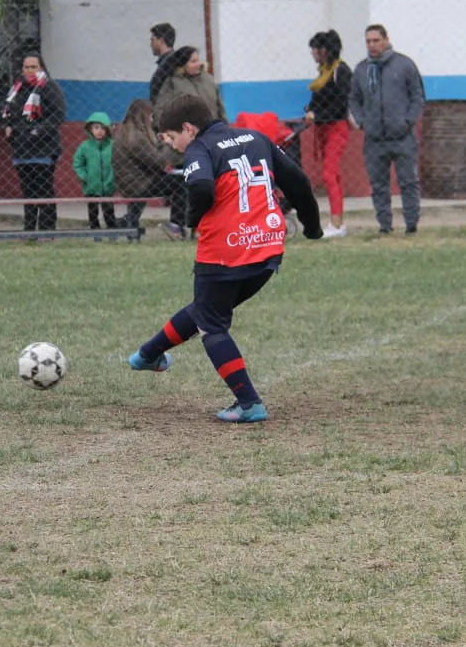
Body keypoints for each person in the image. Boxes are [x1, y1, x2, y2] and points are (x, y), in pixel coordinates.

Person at [127, 93, 323, 423]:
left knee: (211, 324)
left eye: (173, 138)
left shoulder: (199, 148)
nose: (175, 147)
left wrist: (190, 218)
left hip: (226, 251)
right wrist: (313, 226)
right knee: (207, 309)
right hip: (267, 248)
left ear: (189, 129)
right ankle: (148, 354)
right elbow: (299, 182)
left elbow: (201, 188)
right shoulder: (257, 138)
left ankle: (249, 403)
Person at [349, 24, 425, 235]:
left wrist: (407, 121)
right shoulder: (362, 70)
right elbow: (354, 99)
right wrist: (363, 121)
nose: (372, 45)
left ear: (385, 40)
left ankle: (411, 224)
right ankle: (385, 226)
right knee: (379, 185)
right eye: (368, 41)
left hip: (402, 137)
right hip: (374, 139)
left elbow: (417, 96)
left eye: (376, 40)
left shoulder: (404, 65)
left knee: (408, 182)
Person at [3, 52, 66, 233]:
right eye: (26, 67)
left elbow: (58, 114)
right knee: (27, 192)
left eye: (33, 67)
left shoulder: (49, 87)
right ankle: (29, 230)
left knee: (44, 190)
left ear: (41, 68)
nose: (29, 71)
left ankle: (46, 230)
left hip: (43, 148)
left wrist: (39, 129)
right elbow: (10, 112)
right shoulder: (17, 88)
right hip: (21, 148)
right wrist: (8, 125)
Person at [305, 30, 353, 237]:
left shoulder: (340, 72)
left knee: (328, 175)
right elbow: (319, 99)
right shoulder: (323, 72)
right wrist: (310, 110)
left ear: (323, 50)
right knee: (335, 176)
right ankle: (338, 220)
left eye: (314, 49)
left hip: (337, 127)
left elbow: (341, 104)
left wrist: (319, 114)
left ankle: (336, 224)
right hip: (323, 128)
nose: (312, 54)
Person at [112, 98, 184, 235]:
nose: (152, 120)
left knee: (173, 178)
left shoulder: (128, 132)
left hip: (134, 182)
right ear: (142, 116)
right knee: (182, 183)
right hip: (139, 184)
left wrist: (161, 143)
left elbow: (149, 157)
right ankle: (176, 225)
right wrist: (168, 143)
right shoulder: (135, 137)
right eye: (150, 116)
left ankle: (129, 220)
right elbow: (159, 161)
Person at [154, 46, 226, 125]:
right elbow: (160, 109)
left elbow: (220, 108)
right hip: (187, 132)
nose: (198, 64)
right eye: (193, 61)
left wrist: (226, 128)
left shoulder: (208, 79)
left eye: (198, 60)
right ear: (183, 64)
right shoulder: (173, 82)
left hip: (211, 128)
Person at [72, 111, 117, 235]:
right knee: (93, 210)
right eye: (96, 127)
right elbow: (77, 163)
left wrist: (114, 178)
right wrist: (84, 176)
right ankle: (94, 230)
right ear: (90, 129)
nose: (99, 131)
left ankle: (112, 230)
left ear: (107, 130)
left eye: (103, 128)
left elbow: (119, 162)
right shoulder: (85, 146)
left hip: (108, 185)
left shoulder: (112, 146)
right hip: (91, 185)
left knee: (108, 209)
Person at [149, 23, 177, 104]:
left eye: (152, 40)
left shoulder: (169, 63)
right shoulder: (171, 61)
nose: (150, 44)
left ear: (161, 41)